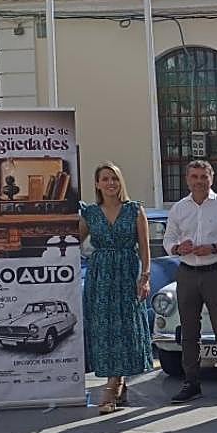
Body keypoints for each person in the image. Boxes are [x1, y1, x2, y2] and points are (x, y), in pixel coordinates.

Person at [162, 160, 217, 404]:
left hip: (216, 272)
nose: (199, 181)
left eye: (203, 177)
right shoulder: (179, 208)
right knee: (188, 332)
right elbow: (168, 239)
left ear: (211, 178)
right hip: (187, 272)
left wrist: (214, 247)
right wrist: (178, 247)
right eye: (194, 177)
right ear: (187, 180)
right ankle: (191, 383)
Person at [80, 162, 152, 414]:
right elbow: (71, 241)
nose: (110, 183)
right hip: (100, 275)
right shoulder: (89, 213)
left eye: (114, 178)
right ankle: (116, 381)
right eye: (105, 179)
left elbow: (144, 247)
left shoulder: (134, 210)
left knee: (125, 327)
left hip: (126, 272)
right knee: (104, 328)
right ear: (97, 184)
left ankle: (111, 387)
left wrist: (145, 276)